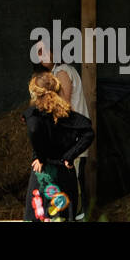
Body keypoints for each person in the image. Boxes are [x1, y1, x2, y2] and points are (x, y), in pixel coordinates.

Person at [23, 72, 93, 222]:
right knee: (61, 217)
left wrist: (40, 157)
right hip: (64, 173)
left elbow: (34, 129)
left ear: (35, 93)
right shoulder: (67, 114)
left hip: (44, 173)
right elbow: (88, 132)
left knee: (42, 216)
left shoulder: (36, 114)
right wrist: (70, 156)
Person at [34, 35, 91, 214]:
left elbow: (63, 104)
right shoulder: (58, 71)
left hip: (74, 137)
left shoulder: (62, 72)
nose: (39, 55)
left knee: (74, 179)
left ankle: (78, 214)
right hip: (73, 136)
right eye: (37, 52)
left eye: (43, 51)